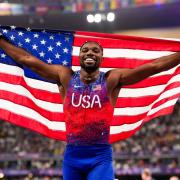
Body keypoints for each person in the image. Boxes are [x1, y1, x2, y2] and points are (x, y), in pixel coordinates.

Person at [0, 34, 180, 180]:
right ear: (79, 56)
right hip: (72, 156)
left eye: (95, 50)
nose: (90, 53)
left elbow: (154, 66)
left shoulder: (111, 79)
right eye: (85, 50)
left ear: (102, 57)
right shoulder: (65, 77)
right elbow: (26, 59)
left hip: (99, 157)